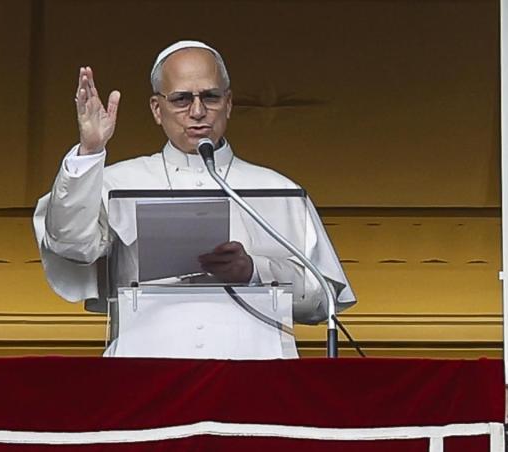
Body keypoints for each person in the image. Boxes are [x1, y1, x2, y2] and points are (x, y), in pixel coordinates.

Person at [33, 40, 355, 356]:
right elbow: (70, 245)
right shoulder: (115, 183)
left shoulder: (278, 190)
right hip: (145, 368)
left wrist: (254, 271)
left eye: (210, 97)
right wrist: (90, 151)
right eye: (181, 99)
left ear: (228, 104)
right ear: (157, 109)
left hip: (254, 373)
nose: (198, 112)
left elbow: (323, 299)